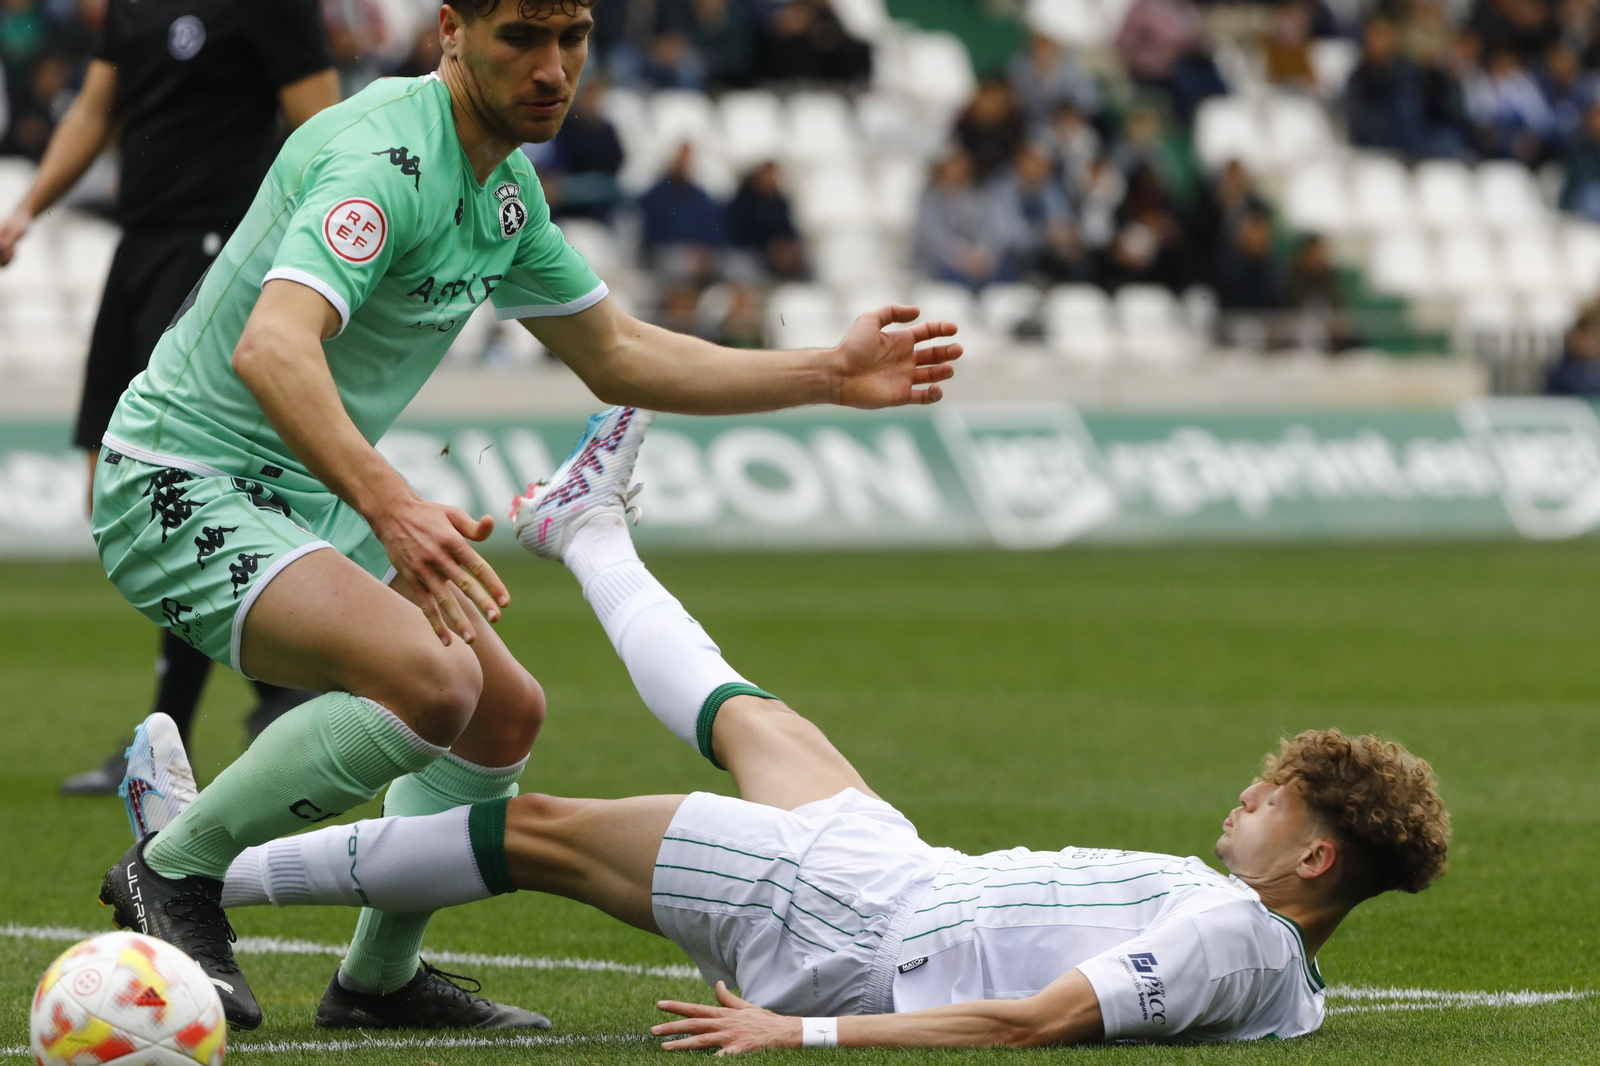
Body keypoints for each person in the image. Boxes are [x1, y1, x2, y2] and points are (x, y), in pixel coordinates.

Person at [91, 0, 962, 1036]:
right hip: (180, 479)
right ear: (451, 30)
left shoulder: (502, 192)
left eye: (573, 38)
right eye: (521, 39)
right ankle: (175, 865)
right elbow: (273, 349)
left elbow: (618, 355)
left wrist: (825, 369)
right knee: (436, 682)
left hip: (300, 487)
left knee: (505, 712)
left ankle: (376, 983)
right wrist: (396, 507)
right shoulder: (385, 162)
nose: (553, 68)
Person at [113, 404, 1453, 1050]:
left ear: (1316, 855)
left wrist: (795, 1034)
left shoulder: (1231, 924)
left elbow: (1035, 1021)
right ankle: (588, 528)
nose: (1247, 798)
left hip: (848, 923)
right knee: (759, 716)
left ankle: (191, 859)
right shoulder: (1290, 988)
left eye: (1274, 797)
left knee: (529, 829)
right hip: (900, 874)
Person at [0, 0, 339, 794]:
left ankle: (176, 740)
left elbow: (326, 133)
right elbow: (94, 108)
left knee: (173, 485)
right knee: (114, 483)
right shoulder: (134, 7)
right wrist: (29, 207)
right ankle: (275, 693)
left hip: (216, 252)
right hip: (141, 247)